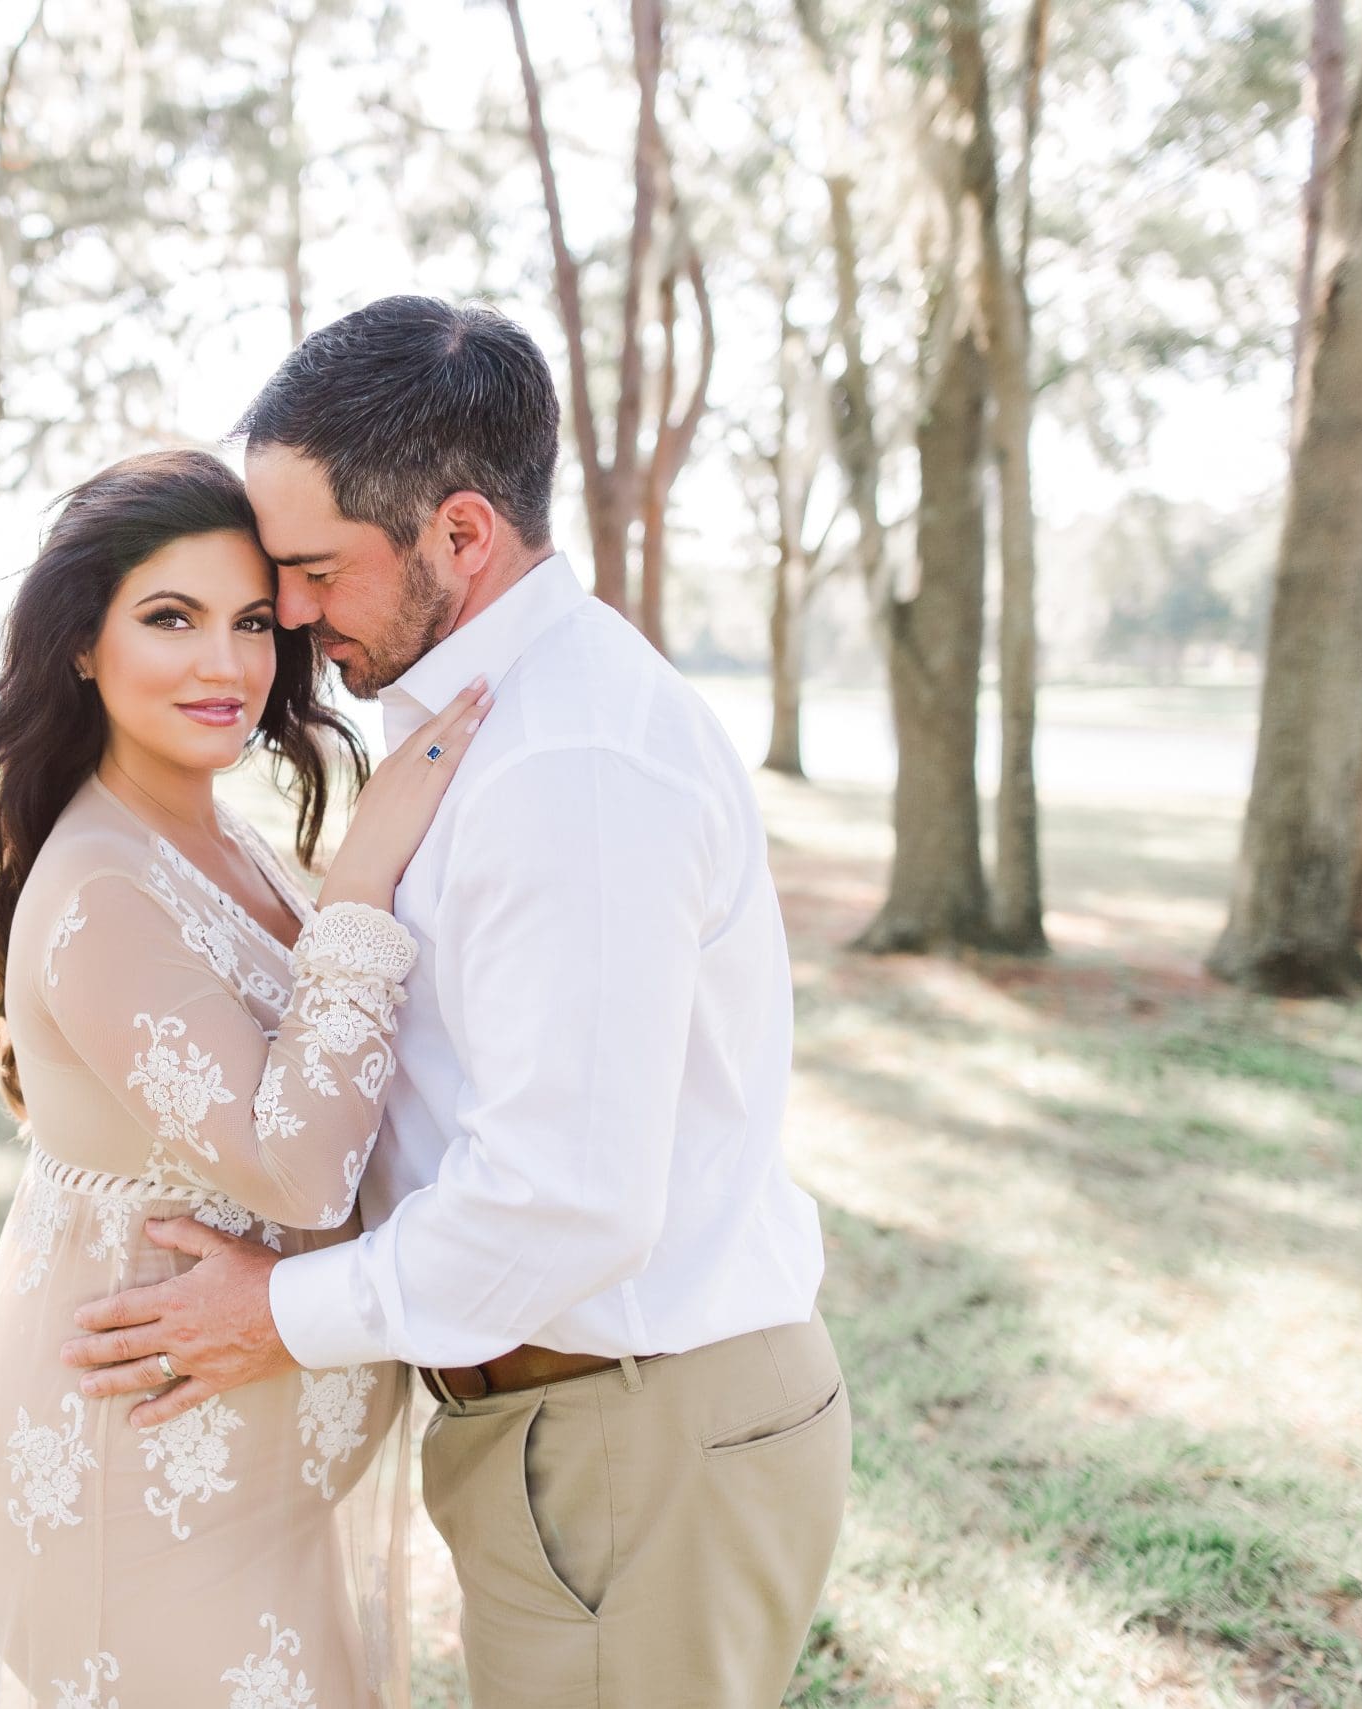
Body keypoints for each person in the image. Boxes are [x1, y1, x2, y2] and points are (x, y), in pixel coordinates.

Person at [61, 298, 850, 1707]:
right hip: (592, 1420)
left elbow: (565, 1202)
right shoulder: (493, 723)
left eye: (308, 572)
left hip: (633, 1427)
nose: (283, 622)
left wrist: (278, 1314)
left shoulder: (568, 768)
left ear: (462, 535)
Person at [0, 446, 489, 1706]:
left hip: (241, 1489)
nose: (225, 665)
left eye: (254, 623)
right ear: (80, 642)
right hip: (134, 1479)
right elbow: (298, 1159)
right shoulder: (105, 879)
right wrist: (362, 884)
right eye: (171, 618)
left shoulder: (213, 832)